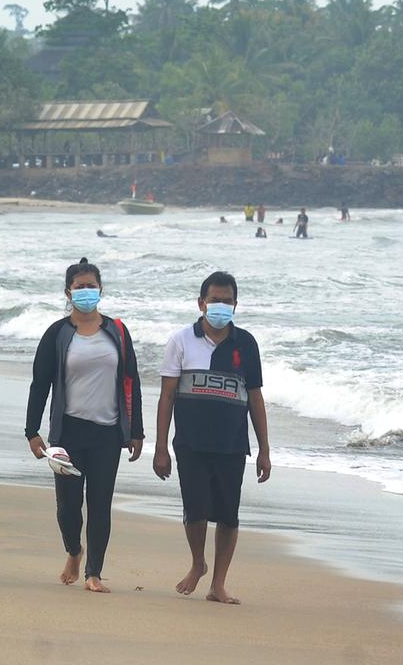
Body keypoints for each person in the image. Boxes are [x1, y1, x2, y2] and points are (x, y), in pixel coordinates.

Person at [26, 258, 144, 594]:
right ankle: (73, 551)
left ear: (101, 290)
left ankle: (94, 572)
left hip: (107, 433)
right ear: (68, 292)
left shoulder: (117, 332)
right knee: (67, 506)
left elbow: (131, 382)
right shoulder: (58, 334)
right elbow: (40, 384)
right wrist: (32, 432)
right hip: (68, 433)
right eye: (80, 287)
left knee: (100, 502)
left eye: (91, 286)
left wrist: (136, 430)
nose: (86, 292)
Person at [153, 271, 270, 605]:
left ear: (236, 305)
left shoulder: (245, 344)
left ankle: (218, 583)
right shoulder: (181, 341)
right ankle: (198, 563)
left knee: (229, 515)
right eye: (215, 300)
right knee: (195, 510)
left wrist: (264, 449)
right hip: (190, 442)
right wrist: (160, 447)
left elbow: (255, 398)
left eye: (228, 301)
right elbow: (167, 397)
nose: (221, 306)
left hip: (232, 444)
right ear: (201, 303)